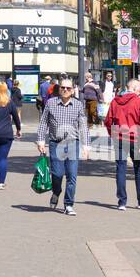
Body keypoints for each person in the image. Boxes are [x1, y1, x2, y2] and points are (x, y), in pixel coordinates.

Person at [37, 81, 87, 214]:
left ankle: (69, 204)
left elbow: (83, 126)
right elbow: (43, 123)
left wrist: (86, 145)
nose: (65, 89)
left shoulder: (78, 104)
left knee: (72, 175)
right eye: (62, 87)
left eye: (68, 88)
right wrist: (41, 141)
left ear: (72, 90)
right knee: (57, 174)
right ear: (59, 89)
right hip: (56, 143)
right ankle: (56, 192)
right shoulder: (51, 103)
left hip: (72, 143)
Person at [104, 78, 140, 210]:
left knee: (121, 168)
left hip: (119, 138)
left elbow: (108, 121)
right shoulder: (139, 102)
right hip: (135, 139)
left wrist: (112, 134)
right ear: (134, 88)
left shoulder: (115, 101)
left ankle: (122, 202)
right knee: (139, 168)